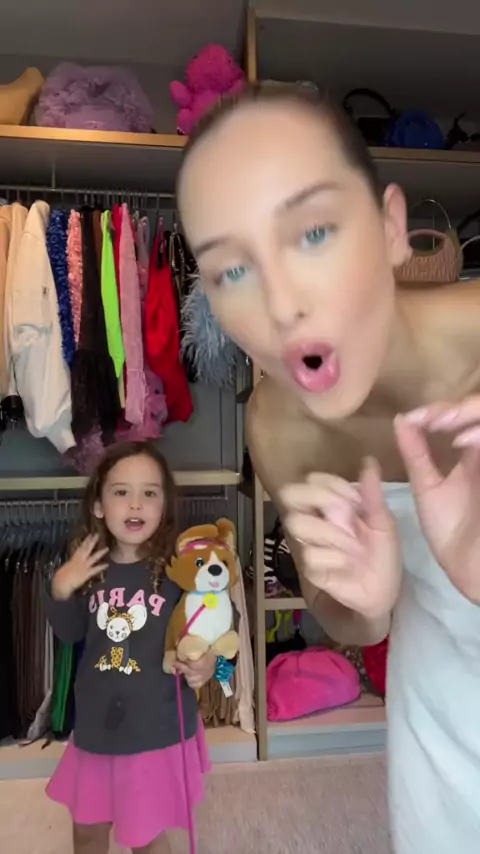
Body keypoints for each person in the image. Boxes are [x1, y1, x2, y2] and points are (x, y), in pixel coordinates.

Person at [177, 85, 480, 853]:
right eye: (231, 270)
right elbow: (337, 609)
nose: (281, 306)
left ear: (389, 228)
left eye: (312, 232)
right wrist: (368, 606)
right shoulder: (279, 424)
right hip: (443, 736)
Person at [45, 441, 215, 854]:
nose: (135, 504)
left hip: (154, 731)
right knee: (87, 830)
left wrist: (210, 661)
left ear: (164, 506)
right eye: (121, 492)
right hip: (96, 729)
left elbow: (213, 628)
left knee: (145, 836)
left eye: (149, 493)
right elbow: (69, 633)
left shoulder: (179, 570)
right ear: (99, 506)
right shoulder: (87, 568)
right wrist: (61, 589)